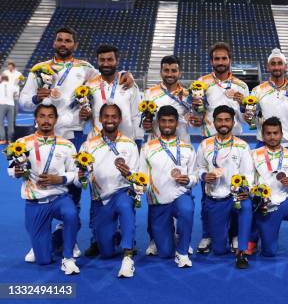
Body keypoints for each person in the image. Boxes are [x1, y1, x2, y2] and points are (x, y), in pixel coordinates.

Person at [19, 27, 135, 258]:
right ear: (54, 43)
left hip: (74, 135)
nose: (64, 43)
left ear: (75, 45)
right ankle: (41, 235)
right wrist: (36, 97)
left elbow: (108, 74)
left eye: (68, 40)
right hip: (41, 137)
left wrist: (127, 74)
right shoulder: (38, 69)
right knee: (39, 183)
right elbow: (23, 103)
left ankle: (66, 238)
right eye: (60, 40)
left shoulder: (85, 69)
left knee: (75, 190)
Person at [8, 104, 80, 274]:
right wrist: (16, 172)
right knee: (43, 261)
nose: (46, 120)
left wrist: (60, 179)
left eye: (50, 116)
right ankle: (50, 242)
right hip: (35, 202)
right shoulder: (21, 144)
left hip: (59, 199)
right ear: (36, 119)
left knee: (71, 213)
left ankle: (68, 258)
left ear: (55, 119)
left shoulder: (67, 145)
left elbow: (76, 175)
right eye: (42, 116)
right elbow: (11, 169)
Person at [143, 55, 202, 256]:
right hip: (155, 149)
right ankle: (154, 237)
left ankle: (182, 236)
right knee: (155, 192)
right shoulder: (149, 93)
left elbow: (199, 117)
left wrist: (196, 118)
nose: (170, 74)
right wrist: (146, 124)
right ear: (161, 72)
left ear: (180, 72)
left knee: (183, 190)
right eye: (166, 70)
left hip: (181, 148)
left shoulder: (189, 94)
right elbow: (143, 120)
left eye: (174, 71)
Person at [78, 104, 139, 277]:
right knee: (106, 252)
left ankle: (128, 254)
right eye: (106, 116)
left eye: (114, 117)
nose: (110, 120)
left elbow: (138, 177)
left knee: (126, 205)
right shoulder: (88, 146)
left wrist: (129, 173)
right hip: (100, 200)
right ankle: (116, 235)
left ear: (120, 119)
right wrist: (82, 175)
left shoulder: (130, 145)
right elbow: (82, 178)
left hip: (122, 193)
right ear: (100, 119)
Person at [139, 105, 198, 268]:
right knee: (165, 253)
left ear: (177, 123)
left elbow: (195, 174)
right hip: (159, 201)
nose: (166, 125)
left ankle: (183, 252)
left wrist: (189, 180)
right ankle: (172, 237)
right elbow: (142, 175)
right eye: (163, 121)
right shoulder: (147, 148)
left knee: (187, 209)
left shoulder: (187, 148)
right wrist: (138, 187)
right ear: (158, 122)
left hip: (180, 195)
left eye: (170, 121)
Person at [195, 105, 254, 269]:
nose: (223, 123)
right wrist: (204, 176)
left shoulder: (242, 146)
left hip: (236, 196)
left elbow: (248, 174)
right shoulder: (204, 144)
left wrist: (245, 189)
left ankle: (242, 250)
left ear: (233, 122)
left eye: (227, 120)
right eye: (219, 120)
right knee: (219, 250)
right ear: (213, 122)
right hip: (216, 198)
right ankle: (228, 233)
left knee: (247, 205)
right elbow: (198, 168)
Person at [251, 117, 288, 268]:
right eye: (268, 133)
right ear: (262, 135)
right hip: (265, 205)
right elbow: (247, 180)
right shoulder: (253, 154)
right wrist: (257, 196)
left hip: (286, 201)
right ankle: (255, 235)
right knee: (269, 252)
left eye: (276, 133)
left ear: (281, 134)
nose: (272, 137)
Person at [248, 48, 288, 154]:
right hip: (263, 143)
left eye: (280, 63)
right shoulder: (256, 91)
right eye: (273, 64)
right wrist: (249, 116)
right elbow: (251, 123)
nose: (276, 67)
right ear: (268, 67)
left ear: (285, 66)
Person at [194, 42, 249, 138]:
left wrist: (243, 106)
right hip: (209, 137)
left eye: (224, 58)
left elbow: (245, 120)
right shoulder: (201, 83)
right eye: (217, 59)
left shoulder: (242, 86)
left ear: (230, 60)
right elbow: (196, 114)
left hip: (234, 137)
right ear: (211, 61)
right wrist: (196, 108)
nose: (220, 62)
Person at [0, 73, 19, 144]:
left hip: (1, 104)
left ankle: (2, 139)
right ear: (7, 79)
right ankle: (10, 140)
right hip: (11, 105)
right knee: (10, 123)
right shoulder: (12, 86)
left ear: (1, 79)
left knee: (0, 123)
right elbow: (16, 95)